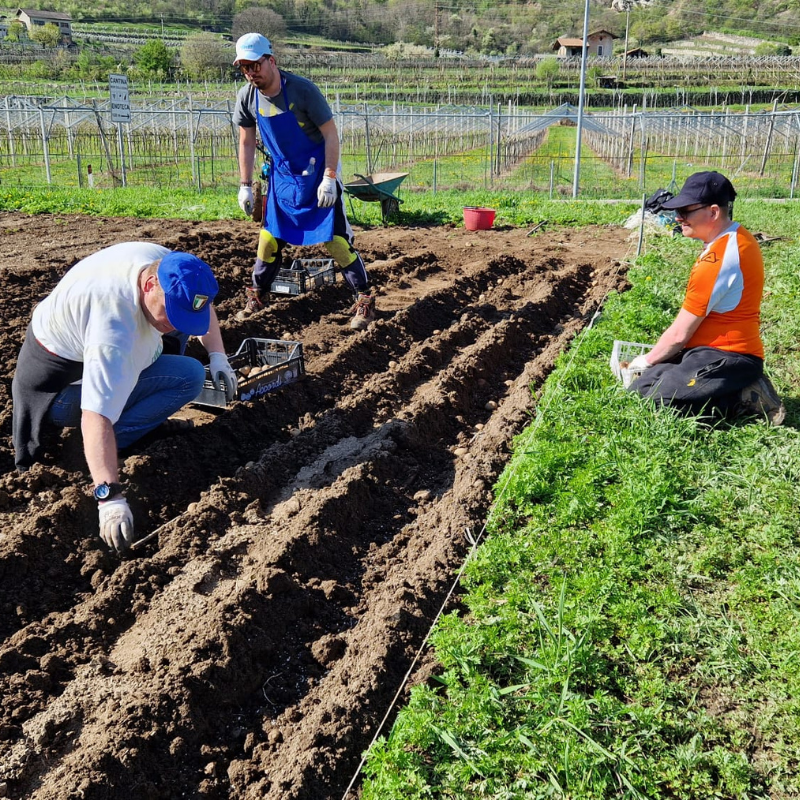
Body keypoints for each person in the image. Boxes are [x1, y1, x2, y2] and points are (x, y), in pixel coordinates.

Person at [11, 242, 239, 553]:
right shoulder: (114, 331)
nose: (174, 327)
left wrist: (218, 355)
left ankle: (118, 437)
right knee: (168, 382)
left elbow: (198, 301)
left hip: (87, 352)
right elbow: (96, 414)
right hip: (60, 391)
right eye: (170, 314)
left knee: (191, 373)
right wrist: (109, 498)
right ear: (149, 285)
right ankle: (92, 451)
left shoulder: (167, 266)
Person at [232, 32, 376, 331]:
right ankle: (257, 296)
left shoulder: (302, 91)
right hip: (283, 177)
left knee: (335, 242)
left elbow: (330, 134)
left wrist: (330, 177)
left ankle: (364, 299)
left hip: (316, 175)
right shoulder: (247, 96)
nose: (250, 73)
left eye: (255, 65)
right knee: (269, 239)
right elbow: (246, 142)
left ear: (271, 60)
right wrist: (245, 184)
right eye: (244, 67)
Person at [628, 170, 785, 424]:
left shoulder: (719, 258)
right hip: (708, 351)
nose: (678, 218)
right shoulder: (734, 237)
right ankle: (731, 388)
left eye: (686, 211)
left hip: (729, 356)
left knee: (649, 396)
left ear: (713, 212)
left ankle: (743, 396)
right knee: (650, 379)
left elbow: (679, 335)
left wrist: (644, 360)